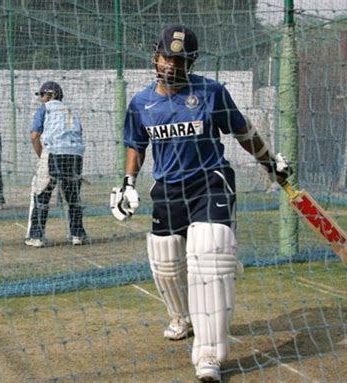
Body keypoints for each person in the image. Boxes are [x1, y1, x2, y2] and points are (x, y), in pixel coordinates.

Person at [110, 25, 292, 382]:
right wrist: (128, 183)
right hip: (167, 187)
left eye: (180, 60)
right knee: (165, 260)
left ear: (191, 62)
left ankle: (209, 353)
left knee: (209, 254)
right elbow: (136, 145)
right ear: (155, 56)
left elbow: (244, 132)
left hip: (210, 180)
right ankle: (182, 317)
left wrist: (270, 163)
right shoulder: (140, 103)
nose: (171, 66)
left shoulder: (211, 92)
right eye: (166, 57)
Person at [25, 81, 87, 248]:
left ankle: (36, 236)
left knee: (41, 194)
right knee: (72, 197)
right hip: (75, 154)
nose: (40, 99)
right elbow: (79, 132)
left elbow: (34, 135)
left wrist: (41, 156)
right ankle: (77, 234)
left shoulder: (45, 109)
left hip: (53, 151)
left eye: (42, 95)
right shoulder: (71, 110)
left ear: (50, 95)